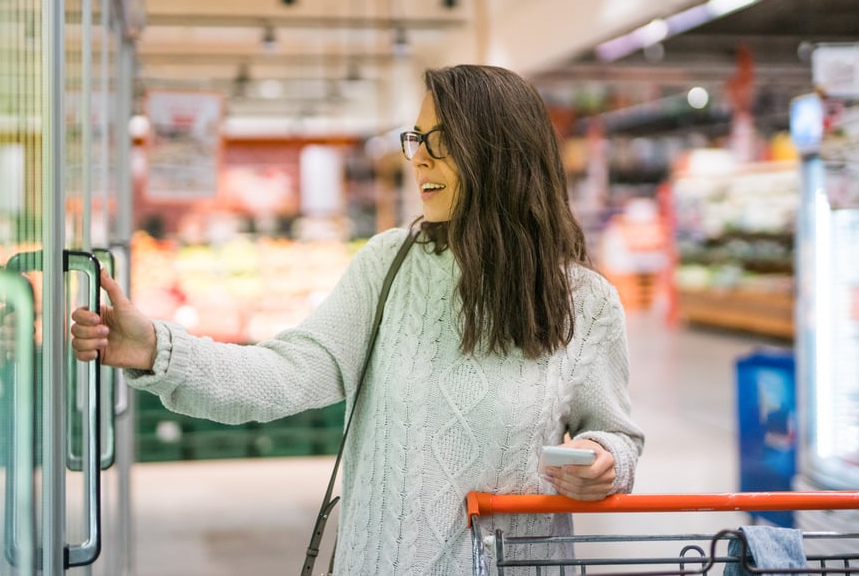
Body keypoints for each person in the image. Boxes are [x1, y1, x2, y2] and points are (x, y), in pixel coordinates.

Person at [70, 64, 645, 574]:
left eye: (439, 141)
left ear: (498, 153)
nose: (418, 155)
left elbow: (616, 435)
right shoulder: (387, 266)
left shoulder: (585, 303)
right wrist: (158, 350)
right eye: (416, 138)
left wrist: (604, 463)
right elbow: (287, 374)